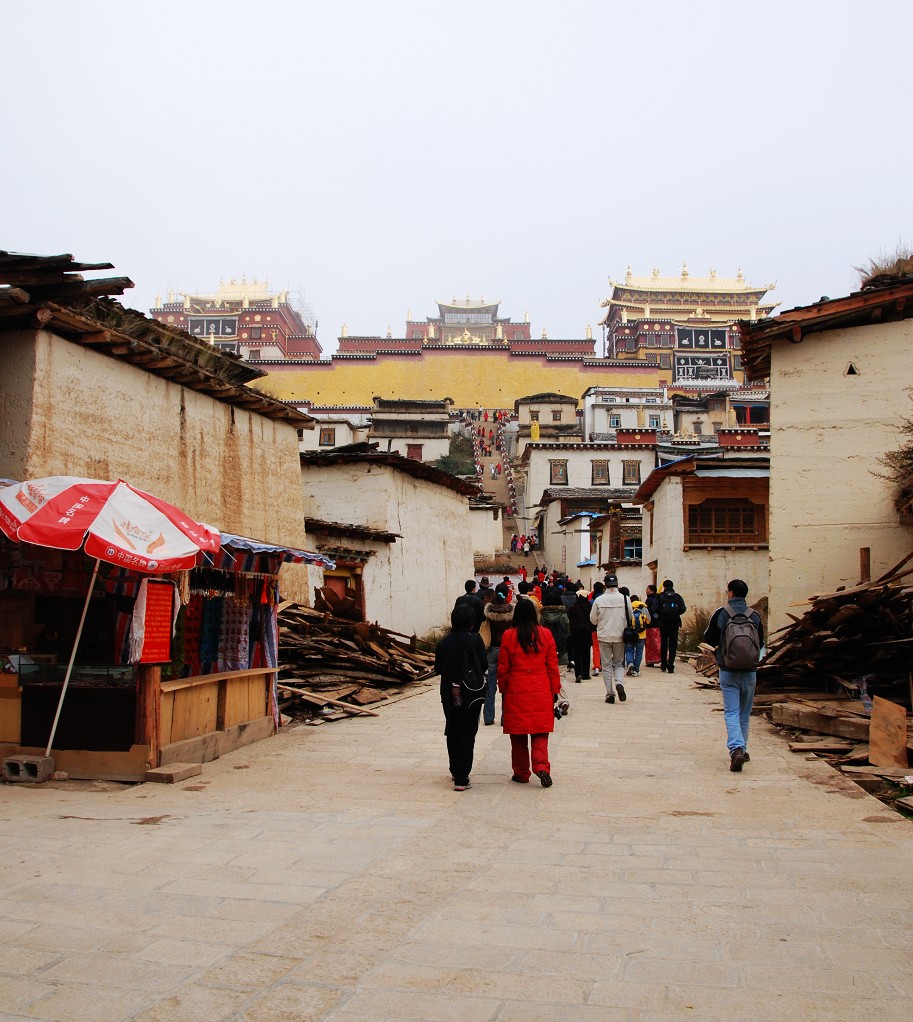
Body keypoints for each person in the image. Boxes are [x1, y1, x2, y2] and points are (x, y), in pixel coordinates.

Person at [497, 597, 562, 787]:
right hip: (541, 688)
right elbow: (552, 666)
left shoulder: (509, 636)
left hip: (516, 689)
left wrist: (503, 689)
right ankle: (541, 766)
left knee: (518, 735)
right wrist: (555, 689)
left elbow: (503, 668)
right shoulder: (546, 634)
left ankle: (521, 772)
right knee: (540, 732)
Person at [704, 579, 764, 772]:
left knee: (731, 711)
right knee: (745, 713)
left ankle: (736, 748)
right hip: (749, 672)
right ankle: (742, 748)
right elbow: (760, 642)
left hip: (728, 669)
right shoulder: (754, 616)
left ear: (730, 593)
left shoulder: (721, 613)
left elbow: (709, 638)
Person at [435, 604, 487, 791]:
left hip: (449, 692)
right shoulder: (475, 639)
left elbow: (438, 668)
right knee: (468, 732)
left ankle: (455, 770)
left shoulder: (445, 642)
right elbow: (483, 664)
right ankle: (462, 777)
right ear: (472, 622)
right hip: (471, 692)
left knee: (453, 728)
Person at [590, 574, 633, 704]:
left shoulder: (599, 600)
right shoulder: (625, 599)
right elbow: (630, 616)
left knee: (607, 665)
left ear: (605, 585)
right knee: (619, 663)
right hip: (620, 635)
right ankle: (619, 682)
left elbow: (593, 619)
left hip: (604, 636)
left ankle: (610, 693)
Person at [482, 585, 514, 726]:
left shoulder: (489, 609)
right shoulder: (511, 610)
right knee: (506, 684)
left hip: (492, 648)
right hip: (507, 650)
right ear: (507, 594)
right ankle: (505, 718)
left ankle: (489, 717)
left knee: (490, 684)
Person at [657, 579, 687, 673]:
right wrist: (676, 613)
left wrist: (661, 613)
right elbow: (683, 608)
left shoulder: (660, 596)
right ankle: (671, 666)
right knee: (673, 644)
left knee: (664, 643)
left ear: (664, 587)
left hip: (663, 622)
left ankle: (663, 664)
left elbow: (654, 608)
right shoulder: (677, 597)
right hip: (674, 622)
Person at [567, 588, 594, 682]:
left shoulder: (573, 607)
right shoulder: (589, 607)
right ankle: (586, 674)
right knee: (586, 653)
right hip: (587, 632)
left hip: (575, 632)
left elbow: (569, 620)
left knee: (577, 653)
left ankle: (578, 673)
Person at [624, 594, 650, 677]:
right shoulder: (644, 608)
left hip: (630, 634)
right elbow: (649, 620)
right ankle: (636, 670)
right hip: (641, 635)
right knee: (639, 652)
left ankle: (630, 663)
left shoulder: (629, 607)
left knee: (629, 650)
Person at [643, 583, 661, 668]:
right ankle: (663, 657)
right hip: (659, 623)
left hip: (650, 624)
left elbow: (647, 612)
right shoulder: (659, 598)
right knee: (658, 641)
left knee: (651, 643)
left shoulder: (649, 600)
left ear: (652, 591)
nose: (646, 591)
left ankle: (651, 660)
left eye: (647, 589)